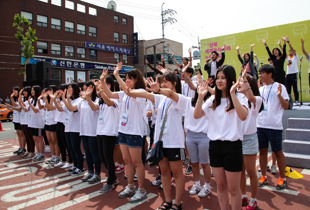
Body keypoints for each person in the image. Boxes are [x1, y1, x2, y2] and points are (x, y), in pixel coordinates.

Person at [123, 70, 187, 210]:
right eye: (161, 82)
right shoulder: (160, 99)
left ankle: (178, 203)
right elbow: (146, 94)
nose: (163, 84)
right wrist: (128, 92)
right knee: (164, 172)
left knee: (176, 173)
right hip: (160, 142)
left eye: (166, 82)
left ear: (174, 84)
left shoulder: (181, 98)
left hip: (174, 142)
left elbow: (170, 94)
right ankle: (168, 201)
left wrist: (159, 89)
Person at [194, 65, 248, 210]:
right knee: (221, 186)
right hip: (215, 146)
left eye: (223, 78)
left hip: (233, 146)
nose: (219, 81)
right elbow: (197, 115)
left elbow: (243, 116)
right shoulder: (212, 99)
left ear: (230, 80)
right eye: (217, 78)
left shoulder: (240, 97)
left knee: (234, 188)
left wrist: (233, 94)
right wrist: (200, 97)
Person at [100, 62, 147, 203]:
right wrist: (102, 80)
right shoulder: (123, 94)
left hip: (135, 131)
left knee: (137, 162)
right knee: (127, 161)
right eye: (125, 78)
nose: (127, 81)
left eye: (130, 78)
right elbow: (109, 93)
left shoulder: (140, 93)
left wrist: (115, 75)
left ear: (136, 80)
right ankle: (130, 186)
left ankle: (142, 190)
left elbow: (128, 91)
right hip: (123, 130)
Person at [257, 64, 289, 190]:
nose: (260, 75)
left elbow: (286, 106)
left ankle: (282, 178)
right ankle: (264, 175)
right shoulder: (259, 89)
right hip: (260, 125)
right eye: (259, 73)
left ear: (270, 74)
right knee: (262, 151)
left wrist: (280, 95)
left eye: (262, 73)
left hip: (274, 126)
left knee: (278, 152)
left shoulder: (280, 87)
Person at [238, 65, 264, 210]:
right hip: (237, 139)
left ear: (249, 85)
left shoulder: (257, 99)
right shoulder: (236, 97)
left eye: (243, 82)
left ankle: (253, 199)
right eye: (240, 82)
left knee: (251, 171)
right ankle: (243, 195)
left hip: (249, 139)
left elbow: (250, 96)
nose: (240, 83)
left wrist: (245, 79)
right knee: (240, 170)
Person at [66, 81, 101, 183]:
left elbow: (94, 108)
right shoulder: (81, 101)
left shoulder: (98, 100)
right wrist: (67, 98)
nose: (85, 91)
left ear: (92, 88)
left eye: (87, 89)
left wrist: (88, 98)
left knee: (94, 153)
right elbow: (71, 108)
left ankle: (97, 173)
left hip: (93, 131)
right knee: (88, 153)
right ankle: (90, 172)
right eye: (84, 89)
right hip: (84, 130)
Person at [96, 75, 120, 193]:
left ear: (109, 85)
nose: (101, 85)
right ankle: (113, 178)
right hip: (100, 131)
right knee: (103, 157)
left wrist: (101, 89)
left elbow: (109, 102)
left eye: (105, 83)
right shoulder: (100, 100)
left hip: (110, 132)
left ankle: (110, 181)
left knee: (108, 157)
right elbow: (94, 107)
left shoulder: (116, 97)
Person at [61, 83, 84, 176]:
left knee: (76, 148)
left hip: (76, 128)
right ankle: (75, 165)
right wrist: (64, 98)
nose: (68, 89)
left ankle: (80, 167)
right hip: (68, 127)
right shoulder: (71, 100)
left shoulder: (80, 100)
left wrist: (67, 99)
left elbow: (71, 109)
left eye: (70, 88)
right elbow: (62, 109)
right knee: (70, 148)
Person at [49, 84, 74, 169]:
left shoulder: (67, 100)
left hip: (65, 123)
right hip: (59, 123)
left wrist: (59, 99)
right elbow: (54, 108)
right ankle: (63, 160)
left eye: (61, 90)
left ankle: (70, 161)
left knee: (66, 144)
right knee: (60, 143)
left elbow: (61, 108)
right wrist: (54, 99)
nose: (59, 92)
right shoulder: (59, 100)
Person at [44, 85, 61, 165]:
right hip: (47, 121)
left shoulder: (57, 99)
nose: (48, 92)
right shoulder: (49, 99)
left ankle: (57, 156)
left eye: (50, 90)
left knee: (55, 140)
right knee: (49, 140)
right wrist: (46, 99)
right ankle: (53, 155)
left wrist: (52, 98)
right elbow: (47, 108)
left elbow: (51, 108)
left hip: (54, 122)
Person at [28, 85, 45, 162]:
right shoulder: (32, 100)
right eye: (31, 90)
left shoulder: (40, 101)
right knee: (35, 138)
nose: (32, 92)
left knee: (39, 138)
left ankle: (41, 154)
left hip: (38, 123)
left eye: (33, 90)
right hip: (32, 122)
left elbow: (36, 110)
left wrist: (30, 104)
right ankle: (38, 153)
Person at [18, 87, 35, 158]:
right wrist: (19, 95)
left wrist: (20, 103)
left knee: (30, 137)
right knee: (27, 137)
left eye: (25, 92)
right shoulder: (26, 100)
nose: (23, 93)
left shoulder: (31, 100)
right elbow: (23, 105)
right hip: (23, 121)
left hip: (28, 121)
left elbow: (25, 109)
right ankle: (28, 151)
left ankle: (32, 151)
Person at [9, 86, 26, 156]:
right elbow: (14, 105)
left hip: (20, 119)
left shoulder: (21, 98)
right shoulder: (16, 99)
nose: (13, 93)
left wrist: (11, 98)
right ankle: (20, 147)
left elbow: (18, 107)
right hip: (15, 119)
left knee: (22, 134)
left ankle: (23, 147)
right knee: (19, 134)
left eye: (14, 91)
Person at [285, 39, 299, 103]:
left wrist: (288, 42)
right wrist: (280, 45)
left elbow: (292, 49)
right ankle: (288, 100)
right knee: (288, 88)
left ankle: (296, 100)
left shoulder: (295, 57)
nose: (289, 52)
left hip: (294, 74)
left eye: (291, 51)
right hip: (288, 74)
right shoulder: (288, 58)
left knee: (295, 88)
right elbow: (283, 52)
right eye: (289, 51)